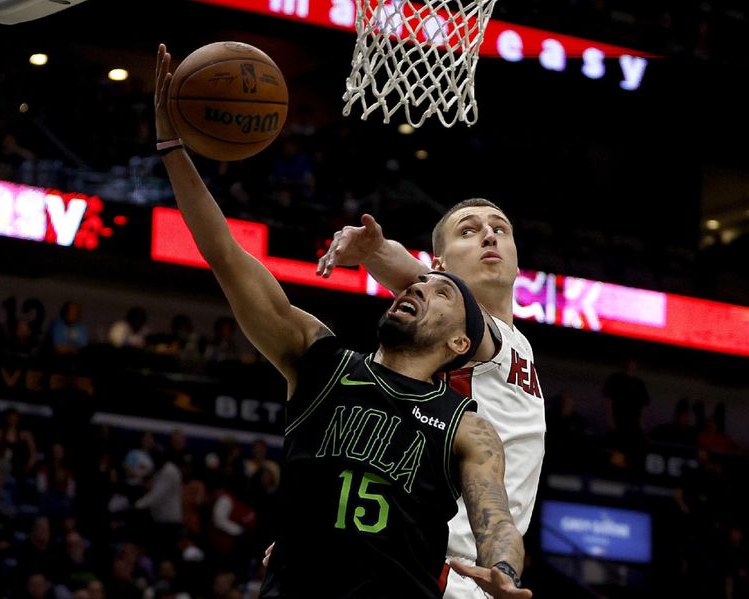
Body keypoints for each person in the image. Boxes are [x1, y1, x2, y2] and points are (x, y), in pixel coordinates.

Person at [155, 44, 530, 599]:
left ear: (460, 340)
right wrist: (171, 149)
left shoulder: (466, 424)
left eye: (440, 291)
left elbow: (496, 517)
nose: (420, 288)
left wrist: (504, 568)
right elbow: (225, 254)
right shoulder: (321, 361)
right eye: (419, 283)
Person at [316, 201, 546, 597]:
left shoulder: (516, 342)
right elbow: (412, 275)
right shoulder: (469, 337)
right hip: (436, 570)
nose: (489, 235)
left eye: (500, 229)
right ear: (440, 265)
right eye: (468, 231)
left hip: (474, 572)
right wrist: (377, 250)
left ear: (516, 259)